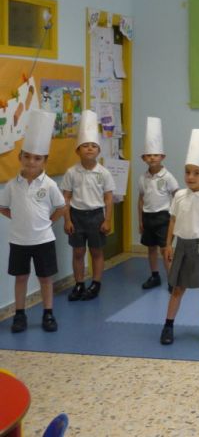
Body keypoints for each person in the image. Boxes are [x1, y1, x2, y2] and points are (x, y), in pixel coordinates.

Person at [0, 110, 65, 333]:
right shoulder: (12, 185)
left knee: (45, 278)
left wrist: (48, 221)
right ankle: (20, 314)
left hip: (43, 240)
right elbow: (3, 207)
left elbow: (61, 207)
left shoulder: (49, 185)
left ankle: (48, 313)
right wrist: (18, 218)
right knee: (21, 278)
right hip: (19, 240)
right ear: (20, 157)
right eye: (27, 156)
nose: (31, 162)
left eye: (37, 158)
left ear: (45, 161)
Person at [160, 129, 199, 345]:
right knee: (178, 288)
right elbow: (173, 220)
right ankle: (168, 325)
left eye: (197, 173)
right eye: (188, 172)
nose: (190, 177)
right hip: (181, 246)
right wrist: (168, 244)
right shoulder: (179, 195)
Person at [62, 110, 115, 302]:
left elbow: (108, 199)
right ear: (78, 150)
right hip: (76, 216)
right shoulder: (71, 172)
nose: (90, 149)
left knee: (96, 251)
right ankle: (79, 284)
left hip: (96, 216)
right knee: (78, 251)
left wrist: (107, 220)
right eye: (85, 146)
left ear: (99, 151)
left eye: (93, 146)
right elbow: (66, 198)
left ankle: (96, 283)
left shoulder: (104, 173)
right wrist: (67, 220)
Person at [138, 117, 179, 290]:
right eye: (149, 155)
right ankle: (154, 275)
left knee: (165, 249)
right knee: (151, 248)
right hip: (148, 216)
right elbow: (141, 199)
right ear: (144, 158)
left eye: (155, 155)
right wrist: (140, 220)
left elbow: (177, 195)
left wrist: (175, 217)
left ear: (162, 157)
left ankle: (172, 279)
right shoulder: (143, 178)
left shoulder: (167, 176)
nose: (152, 158)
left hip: (164, 217)